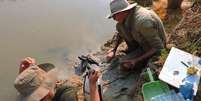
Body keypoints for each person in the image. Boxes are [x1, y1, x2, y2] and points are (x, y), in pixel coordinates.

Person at [106, 0, 166, 71]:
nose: (113, 18)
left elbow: (158, 47)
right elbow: (120, 33)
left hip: (153, 48)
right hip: (143, 42)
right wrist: (114, 50)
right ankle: (134, 52)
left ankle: (142, 61)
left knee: (123, 64)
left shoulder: (142, 22)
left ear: (122, 12)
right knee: (119, 26)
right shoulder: (127, 16)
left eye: (114, 15)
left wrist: (136, 60)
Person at [15, 57, 101, 101]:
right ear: (47, 95)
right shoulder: (67, 93)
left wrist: (23, 74)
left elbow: (23, 92)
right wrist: (93, 86)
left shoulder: (23, 96)